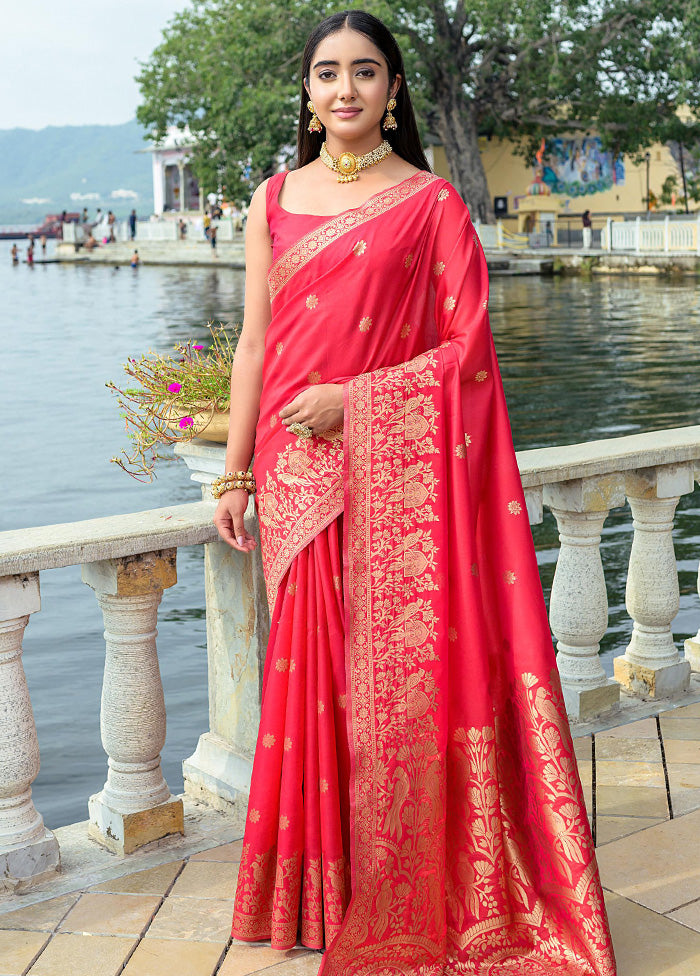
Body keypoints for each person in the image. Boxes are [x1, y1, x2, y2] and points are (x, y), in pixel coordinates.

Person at [214, 10, 616, 975]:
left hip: (388, 469)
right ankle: (317, 894)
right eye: (326, 74)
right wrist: (233, 470)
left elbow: (467, 356)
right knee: (309, 685)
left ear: (394, 91)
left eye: (364, 73)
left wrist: (356, 402)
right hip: (294, 471)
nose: (343, 90)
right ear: (305, 93)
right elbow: (256, 344)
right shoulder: (272, 198)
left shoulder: (432, 204)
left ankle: (398, 883)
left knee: (391, 689)